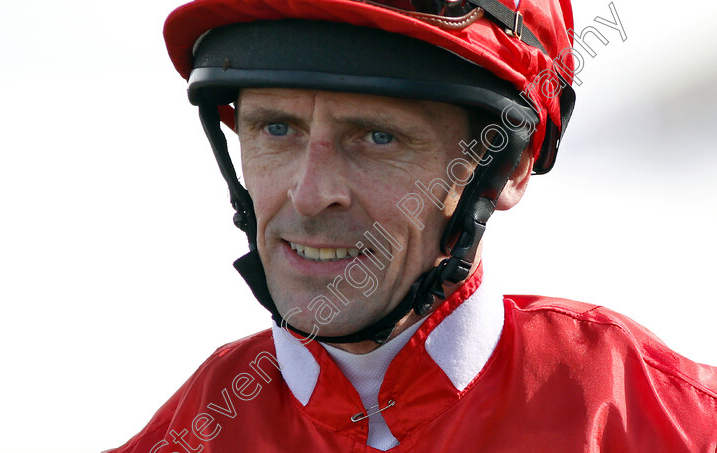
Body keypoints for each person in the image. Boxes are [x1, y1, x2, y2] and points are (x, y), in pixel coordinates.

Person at [106, 0, 717, 451]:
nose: (313, 194)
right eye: (277, 129)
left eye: (378, 136)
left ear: (509, 169)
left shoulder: (676, 426)